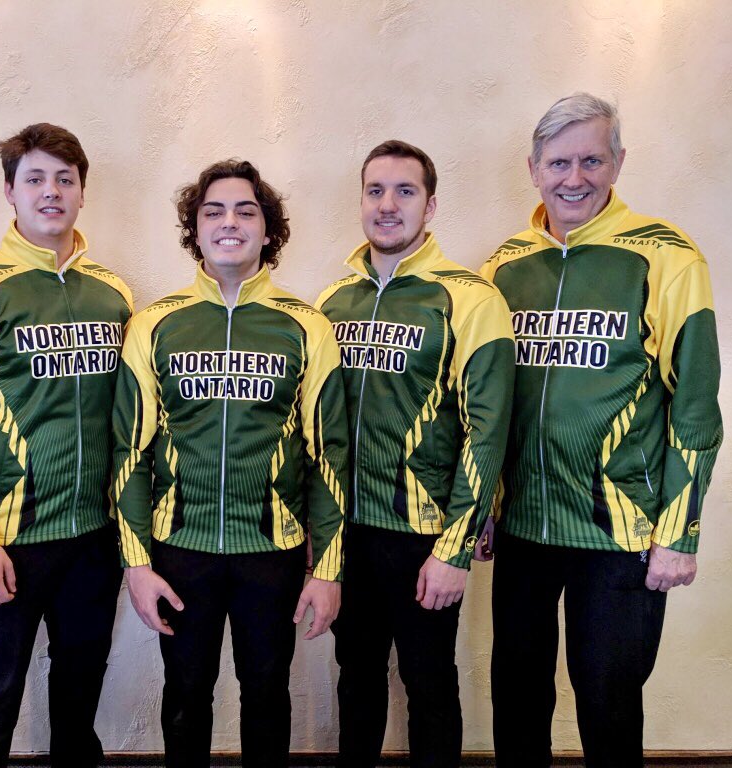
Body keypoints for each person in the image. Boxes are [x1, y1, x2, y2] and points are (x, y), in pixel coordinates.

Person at [480, 93, 723, 768]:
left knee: (608, 705)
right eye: (559, 162)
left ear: (618, 162)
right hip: (524, 528)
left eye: (592, 160)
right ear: (533, 167)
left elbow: (696, 404)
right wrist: (486, 507)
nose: (574, 178)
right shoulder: (503, 264)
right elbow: (485, 403)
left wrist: (679, 532)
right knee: (518, 700)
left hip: (619, 532)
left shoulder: (666, 255)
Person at [113, 159, 348, 767]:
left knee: (266, 694)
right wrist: (137, 563)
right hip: (179, 548)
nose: (229, 223)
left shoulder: (307, 326)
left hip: (270, 552)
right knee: (185, 695)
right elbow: (131, 452)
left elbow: (328, 458)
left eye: (247, 210)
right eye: (213, 211)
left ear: (268, 229)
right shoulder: (153, 324)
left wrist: (328, 569)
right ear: (195, 227)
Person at [0, 123, 132, 767]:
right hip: (4, 542)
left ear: (83, 193)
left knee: (78, 706)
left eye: (65, 179)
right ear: (9, 191)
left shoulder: (114, 292)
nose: (51, 192)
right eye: (35, 178)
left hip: (94, 540)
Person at [316, 140, 515, 767]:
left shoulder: (470, 299)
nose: (388, 204)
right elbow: (314, 431)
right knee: (356, 678)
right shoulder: (333, 301)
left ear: (431, 206)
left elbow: (488, 432)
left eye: (405, 191)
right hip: (350, 533)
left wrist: (454, 549)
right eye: (375, 190)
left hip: (424, 535)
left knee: (431, 684)